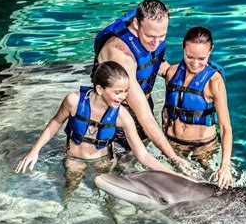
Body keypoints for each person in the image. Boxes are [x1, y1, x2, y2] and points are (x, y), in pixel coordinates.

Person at [15, 61, 177, 192]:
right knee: (69, 191)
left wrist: (173, 175)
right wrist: (34, 151)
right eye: (118, 92)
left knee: (108, 198)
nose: (123, 97)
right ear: (100, 89)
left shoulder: (122, 115)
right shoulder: (74, 101)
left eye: (126, 91)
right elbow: (56, 122)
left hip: (103, 162)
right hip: (74, 160)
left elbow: (142, 154)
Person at [93, 0, 193, 174]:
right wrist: (174, 159)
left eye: (162, 36)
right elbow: (143, 114)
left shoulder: (151, 33)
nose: (156, 43)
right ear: (136, 23)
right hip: (115, 116)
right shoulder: (120, 54)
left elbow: (153, 64)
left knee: (142, 154)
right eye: (150, 37)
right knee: (122, 166)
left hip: (141, 106)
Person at [162, 26, 233, 188]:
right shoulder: (172, 73)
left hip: (203, 148)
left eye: (201, 58)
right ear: (183, 49)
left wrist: (225, 166)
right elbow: (167, 110)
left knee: (207, 187)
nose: (195, 63)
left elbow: (225, 127)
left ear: (210, 51)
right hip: (173, 143)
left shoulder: (215, 82)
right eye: (189, 57)